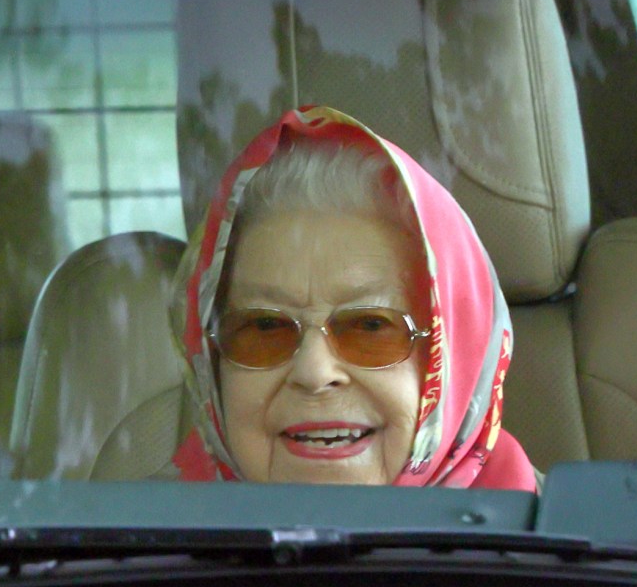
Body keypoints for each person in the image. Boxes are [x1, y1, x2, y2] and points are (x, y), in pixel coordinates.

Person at [169, 106, 536, 491]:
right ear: (211, 366)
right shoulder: (140, 539)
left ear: (455, 362)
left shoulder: (571, 538)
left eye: (370, 327)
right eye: (265, 328)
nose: (314, 373)